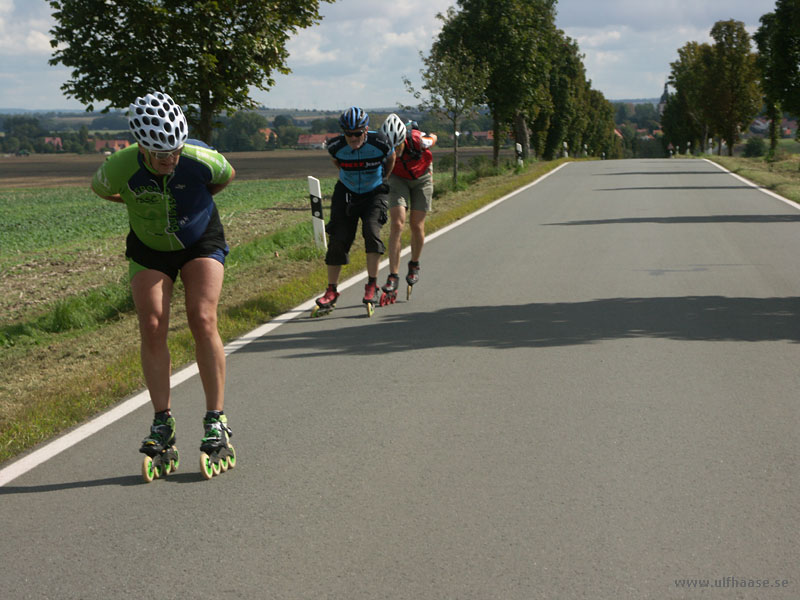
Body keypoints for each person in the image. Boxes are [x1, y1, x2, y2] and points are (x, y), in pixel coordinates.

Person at [91, 90, 236, 473]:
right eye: (160, 155)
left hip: (200, 237)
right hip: (149, 245)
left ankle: (215, 420)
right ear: (141, 147)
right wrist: (140, 205)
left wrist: (194, 205)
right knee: (152, 324)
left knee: (202, 317)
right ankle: (162, 420)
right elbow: (104, 190)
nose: (170, 159)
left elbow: (225, 176)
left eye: (174, 151)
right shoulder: (118, 167)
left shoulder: (199, 158)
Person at [313, 106, 395, 315]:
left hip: (374, 192)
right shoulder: (335, 146)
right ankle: (331, 290)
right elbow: (337, 163)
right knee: (338, 239)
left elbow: (392, 159)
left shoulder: (381, 142)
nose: (353, 138)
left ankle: (372, 285)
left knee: (371, 231)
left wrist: (382, 179)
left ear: (366, 130)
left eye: (357, 133)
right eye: (348, 134)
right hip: (347, 192)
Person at [380, 114, 437, 298]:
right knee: (397, 224)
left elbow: (434, 137)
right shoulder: (382, 147)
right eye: (391, 148)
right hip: (398, 179)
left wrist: (430, 138)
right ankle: (393, 275)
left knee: (416, 225)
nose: (394, 152)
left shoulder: (417, 140)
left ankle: (414, 263)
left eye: (397, 147)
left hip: (422, 177)